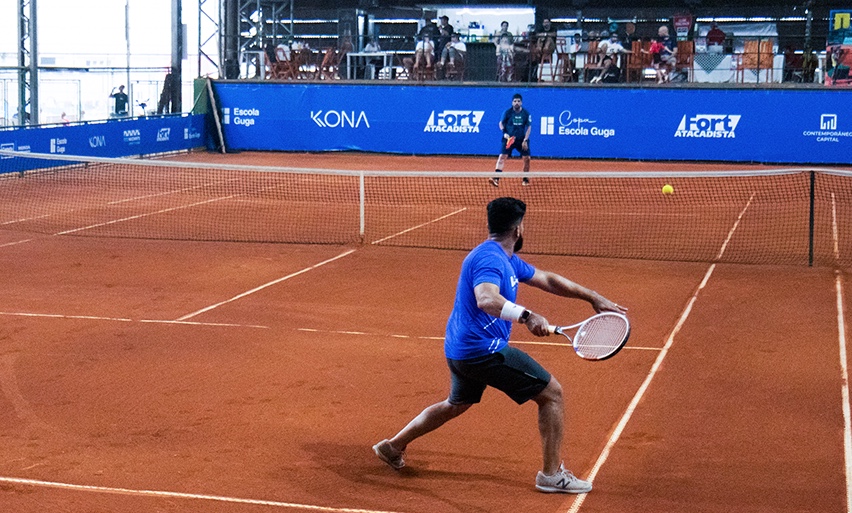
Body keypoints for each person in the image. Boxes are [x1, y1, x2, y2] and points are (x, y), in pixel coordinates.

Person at [372, 196, 626, 494]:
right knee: (552, 394)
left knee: (456, 404)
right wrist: (527, 315)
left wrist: (592, 296)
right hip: (482, 351)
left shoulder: (504, 258)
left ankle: (393, 446)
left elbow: (547, 278)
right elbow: (487, 298)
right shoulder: (489, 260)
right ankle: (551, 475)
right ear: (519, 228)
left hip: (460, 349)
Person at [491, 93, 532, 187]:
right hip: (509, 139)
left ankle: (525, 178)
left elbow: (528, 127)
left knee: (527, 159)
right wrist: (504, 132)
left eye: (518, 101)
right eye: (515, 101)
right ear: (512, 102)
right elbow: (501, 123)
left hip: (521, 139)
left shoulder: (526, 113)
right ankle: (496, 178)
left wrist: (525, 140)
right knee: (502, 156)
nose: (516, 103)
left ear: (521, 102)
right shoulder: (507, 112)